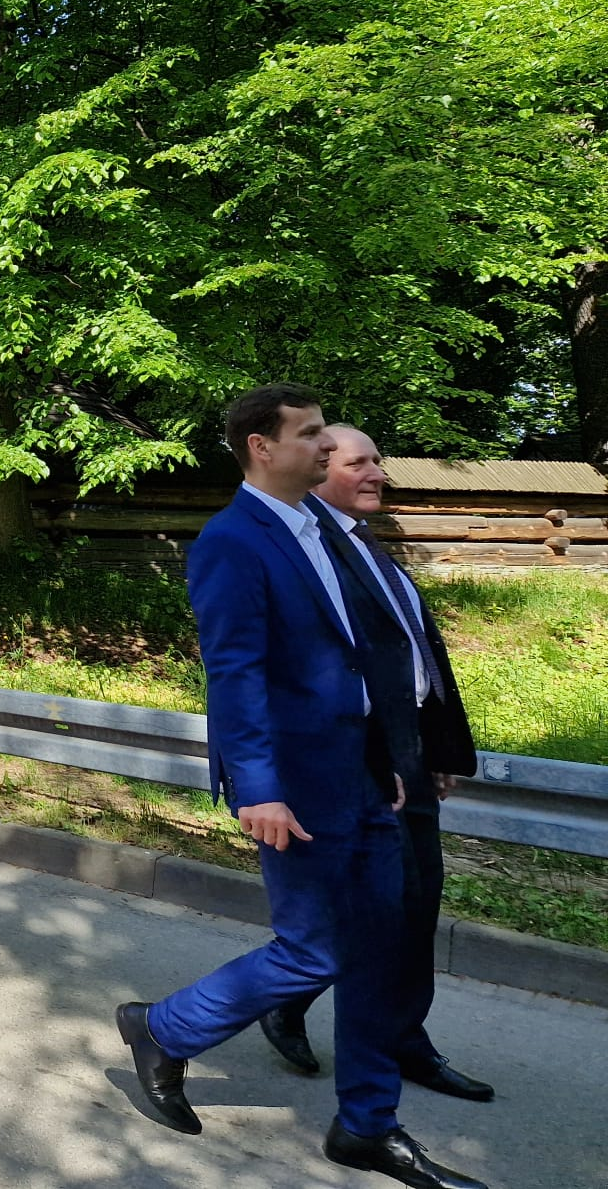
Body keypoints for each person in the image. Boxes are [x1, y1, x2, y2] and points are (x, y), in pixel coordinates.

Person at [115, 385, 487, 1189]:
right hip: (294, 781)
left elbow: (376, 652)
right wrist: (257, 786)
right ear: (262, 446)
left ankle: (367, 1126)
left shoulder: (324, 529)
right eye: (312, 433)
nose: (327, 446)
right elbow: (236, 672)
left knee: (381, 947)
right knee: (315, 948)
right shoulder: (233, 541)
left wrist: (398, 753)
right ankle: (164, 1028)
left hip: (368, 773)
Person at [257, 426, 489, 1103]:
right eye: (361, 463)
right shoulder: (307, 549)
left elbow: (411, 656)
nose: (379, 473)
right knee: (367, 907)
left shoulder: (365, 544)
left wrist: (431, 749)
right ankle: (279, 1002)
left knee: (417, 905)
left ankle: (400, 1037)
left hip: (404, 750)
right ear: (318, 468)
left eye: (378, 462)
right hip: (353, 759)